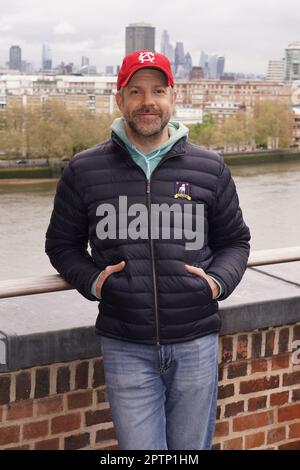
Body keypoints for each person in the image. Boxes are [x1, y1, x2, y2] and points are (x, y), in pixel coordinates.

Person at [45, 50, 251, 450]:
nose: (147, 101)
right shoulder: (84, 170)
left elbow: (236, 242)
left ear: (172, 97)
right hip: (125, 343)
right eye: (135, 91)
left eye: (158, 90)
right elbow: (61, 245)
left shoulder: (210, 167)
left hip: (196, 340)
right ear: (120, 99)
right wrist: (95, 282)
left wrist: (216, 284)